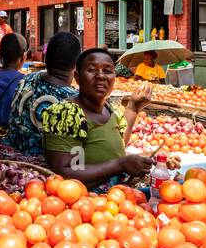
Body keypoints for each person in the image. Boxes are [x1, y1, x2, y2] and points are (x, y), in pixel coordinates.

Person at [41, 48, 152, 189]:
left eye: (107, 71)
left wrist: (133, 108)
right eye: (92, 70)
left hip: (118, 197)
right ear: (77, 77)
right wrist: (120, 165)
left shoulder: (112, 110)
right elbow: (65, 172)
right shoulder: (67, 114)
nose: (101, 76)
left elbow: (114, 147)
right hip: (87, 203)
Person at [4, 31, 82, 158]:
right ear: (76, 65)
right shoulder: (71, 101)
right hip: (41, 169)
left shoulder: (26, 79)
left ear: (44, 58)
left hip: (10, 156)